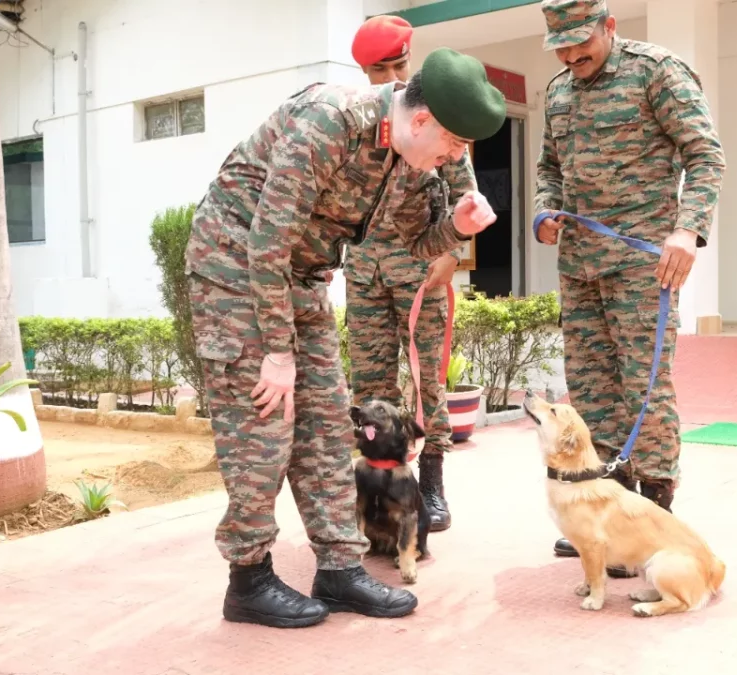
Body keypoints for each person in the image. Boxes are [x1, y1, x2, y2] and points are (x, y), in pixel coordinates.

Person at [185, 47, 507, 629]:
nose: (457, 160)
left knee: (328, 421)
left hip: (301, 276)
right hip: (235, 265)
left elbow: (414, 242)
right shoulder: (330, 121)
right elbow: (267, 240)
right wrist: (278, 353)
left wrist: (456, 228)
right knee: (264, 425)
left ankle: (338, 569)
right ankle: (249, 580)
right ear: (421, 120)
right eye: (454, 145)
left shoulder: (409, 157)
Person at [533, 0, 725, 576]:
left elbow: (705, 155)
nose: (571, 56)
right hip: (580, 263)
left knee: (645, 387)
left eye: (579, 43)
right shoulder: (558, 91)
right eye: (560, 47)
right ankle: (609, 518)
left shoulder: (657, 72)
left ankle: (655, 515)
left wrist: (688, 230)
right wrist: (545, 210)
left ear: (609, 26)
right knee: (590, 391)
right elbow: (547, 167)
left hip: (646, 264)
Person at [343, 15, 477, 533]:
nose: (392, 76)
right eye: (382, 68)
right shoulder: (360, 120)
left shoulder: (432, 113)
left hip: (422, 268)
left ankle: (432, 485)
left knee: (425, 385)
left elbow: (468, 197)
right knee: (371, 386)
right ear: (365, 70)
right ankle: (378, 490)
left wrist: (454, 254)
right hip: (365, 271)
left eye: (400, 65)